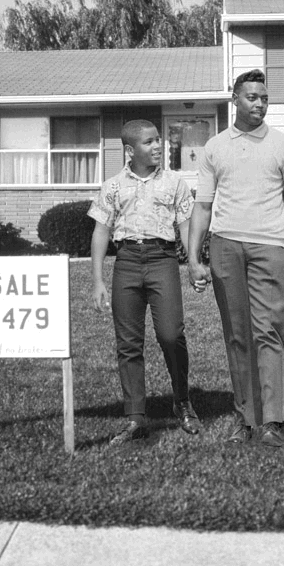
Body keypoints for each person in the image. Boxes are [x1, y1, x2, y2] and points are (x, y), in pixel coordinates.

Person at [188, 70, 284, 448]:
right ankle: (246, 418)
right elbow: (202, 205)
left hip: (270, 246)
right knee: (237, 336)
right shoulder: (214, 147)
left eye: (263, 97)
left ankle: (272, 420)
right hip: (226, 244)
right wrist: (194, 258)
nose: (259, 104)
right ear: (235, 99)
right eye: (251, 97)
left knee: (269, 332)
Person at [89, 119, 200, 445]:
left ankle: (182, 401)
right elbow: (101, 232)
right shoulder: (111, 186)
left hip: (162, 260)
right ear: (129, 150)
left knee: (170, 334)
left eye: (158, 141)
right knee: (128, 344)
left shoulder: (174, 182)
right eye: (149, 142)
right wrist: (98, 280)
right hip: (126, 263)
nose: (157, 147)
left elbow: (185, 225)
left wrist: (193, 262)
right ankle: (136, 417)